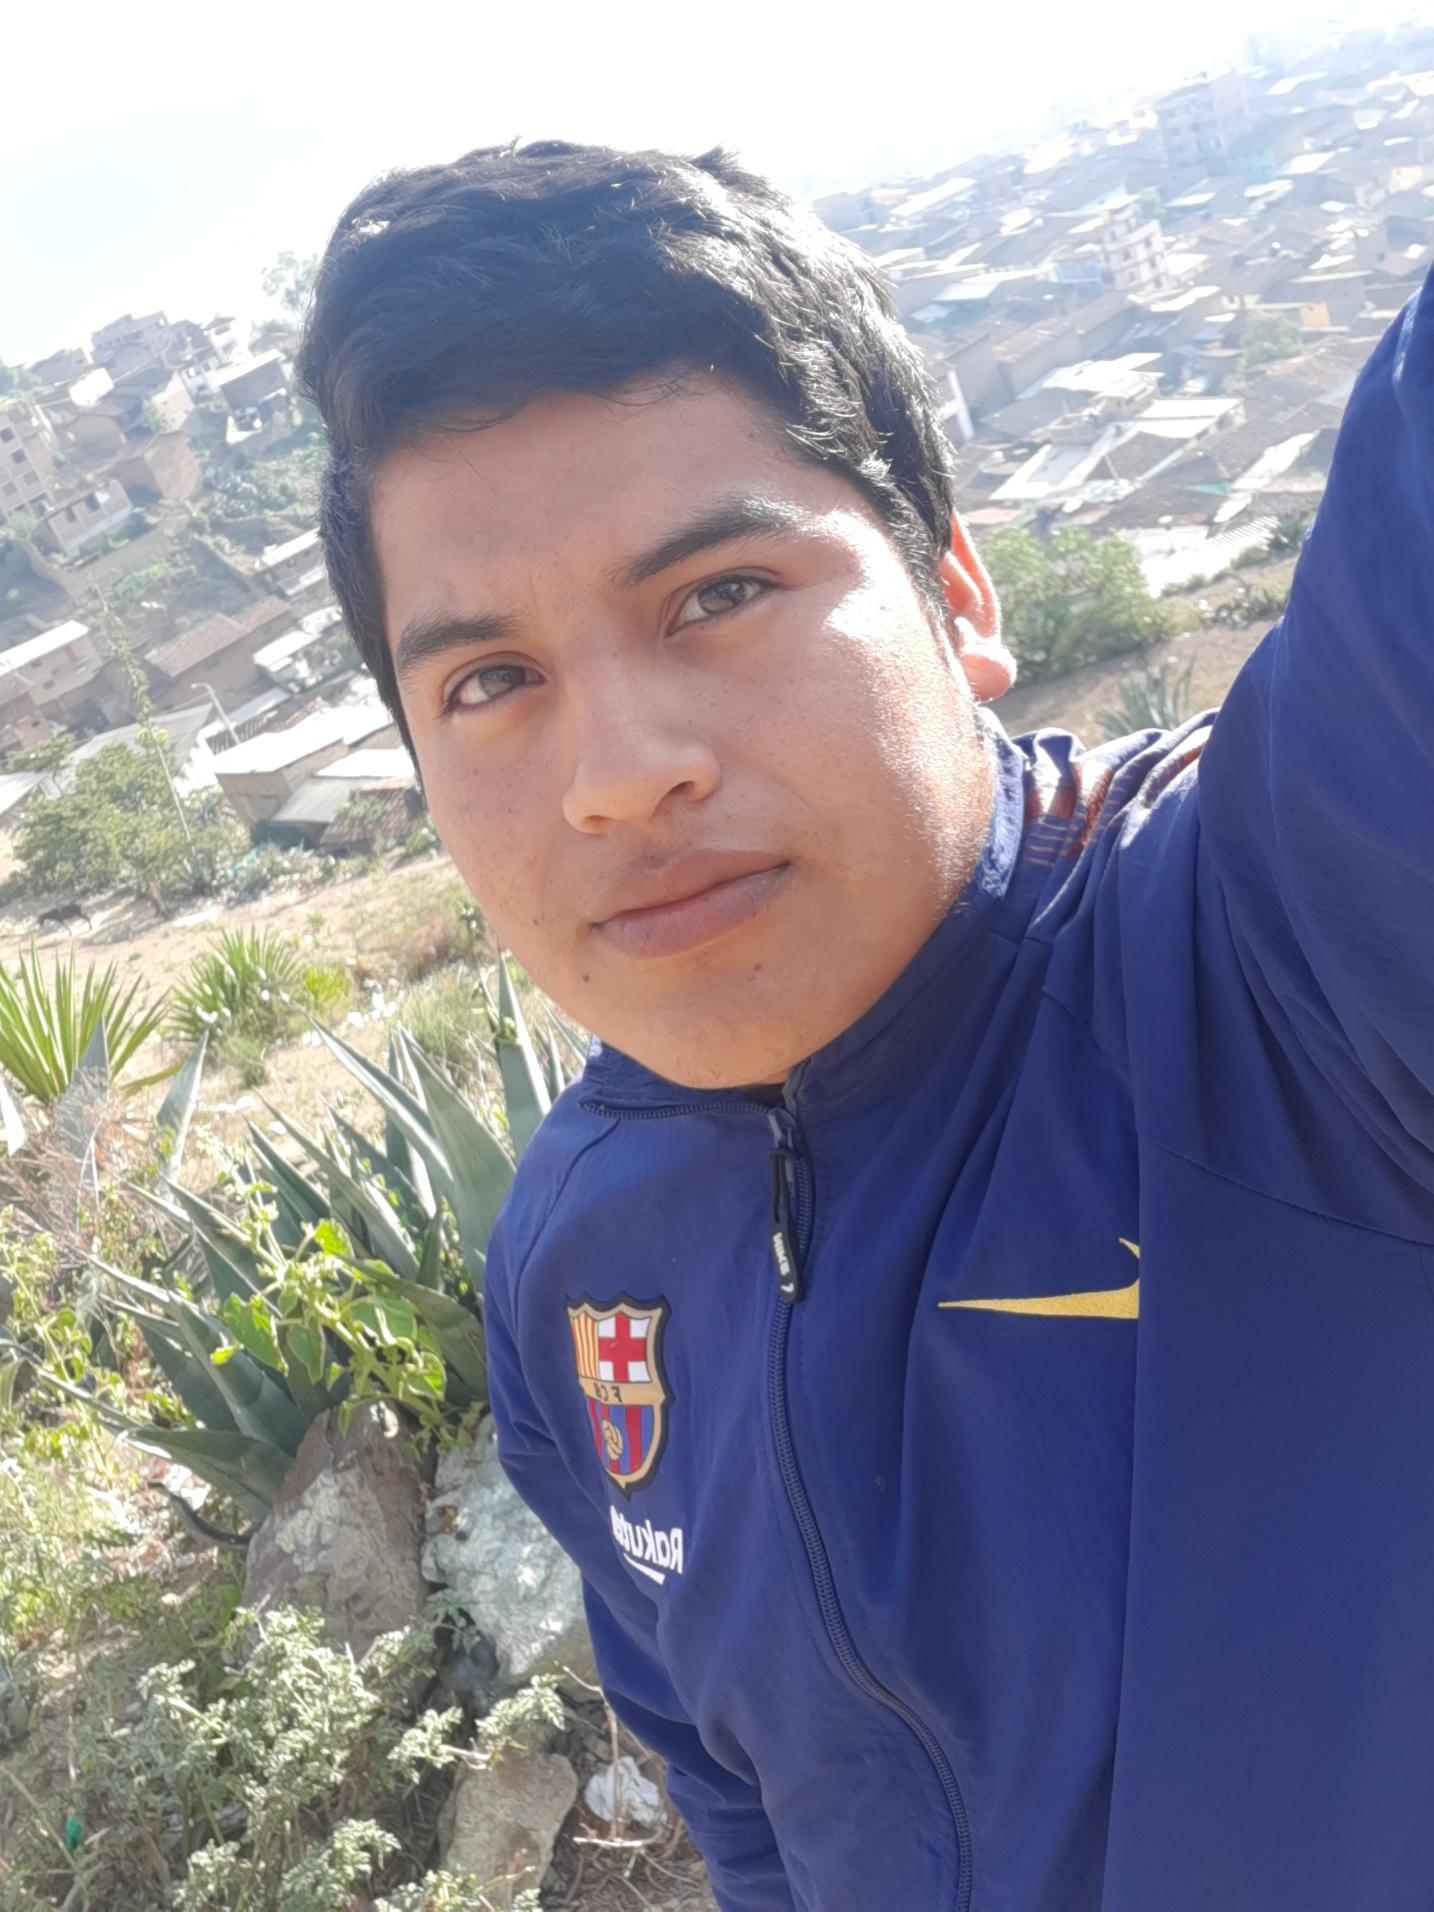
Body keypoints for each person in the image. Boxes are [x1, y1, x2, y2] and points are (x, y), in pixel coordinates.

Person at [297, 141, 1434, 1911]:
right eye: (491, 680)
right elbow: (744, 1804)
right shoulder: (573, 1264)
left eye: (719, 593)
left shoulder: (1275, 959)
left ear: (957, 594)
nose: (618, 776)